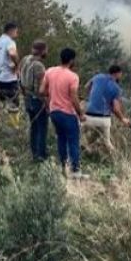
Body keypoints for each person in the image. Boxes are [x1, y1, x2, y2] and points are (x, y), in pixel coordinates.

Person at [41, 46, 85, 177]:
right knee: (73, 141)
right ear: (72, 60)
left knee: (61, 138)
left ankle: (63, 166)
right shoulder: (73, 77)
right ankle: (75, 170)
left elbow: (42, 91)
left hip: (54, 112)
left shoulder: (50, 71)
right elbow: (73, 97)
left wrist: (52, 94)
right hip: (68, 113)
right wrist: (80, 113)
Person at [83, 64, 130, 153]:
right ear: (118, 74)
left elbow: (86, 86)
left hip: (88, 116)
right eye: (121, 74)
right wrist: (123, 119)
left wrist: (92, 97)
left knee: (82, 138)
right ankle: (118, 159)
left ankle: (87, 152)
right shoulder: (116, 88)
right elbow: (116, 109)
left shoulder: (98, 77)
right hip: (104, 119)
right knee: (107, 143)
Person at [18, 40, 50, 161]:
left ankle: (34, 152)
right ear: (42, 51)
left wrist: (23, 92)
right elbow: (41, 88)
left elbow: (19, 76)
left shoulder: (25, 59)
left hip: (27, 97)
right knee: (42, 127)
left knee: (33, 126)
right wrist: (47, 103)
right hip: (37, 99)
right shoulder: (39, 66)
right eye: (46, 50)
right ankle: (41, 154)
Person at [0, 22, 21, 110]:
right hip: (7, 77)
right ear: (11, 31)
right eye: (16, 31)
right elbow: (12, 53)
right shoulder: (10, 42)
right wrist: (17, 65)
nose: (17, 34)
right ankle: (14, 122)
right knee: (14, 102)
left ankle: (0, 115)